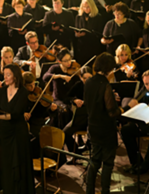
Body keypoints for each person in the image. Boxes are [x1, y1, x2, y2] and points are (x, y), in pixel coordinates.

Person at [0, 64, 35, 194]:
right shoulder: (3, 90)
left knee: (19, 163)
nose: (5, 77)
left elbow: (16, 115)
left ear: (15, 76)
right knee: (7, 163)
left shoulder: (23, 92)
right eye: (4, 74)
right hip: (5, 132)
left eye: (8, 75)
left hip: (18, 133)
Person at [84, 52, 125, 194]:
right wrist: (124, 108)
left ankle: (89, 191)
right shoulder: (105, 84)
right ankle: (105, 191)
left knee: (94, 161)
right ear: (109, 68)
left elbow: (94, 101)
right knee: (107, 163)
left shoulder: (89, 81)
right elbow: (112, 112)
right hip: (106, 129)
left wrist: (111, 99)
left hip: (93, 127)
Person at [43, 48, 80, 129]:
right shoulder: (55, 68)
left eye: (70, 59)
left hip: (70, 98)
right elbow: (45, 77)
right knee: (64, 110)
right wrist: (60, 76)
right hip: (58, 99)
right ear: (59, 61)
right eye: (65, 61)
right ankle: (62, 133)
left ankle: (70, 133)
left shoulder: (73, 69)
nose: (69, 63)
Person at [23, 71, 57, 158]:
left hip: (40, 122)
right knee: (40, 140)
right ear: (24, 85)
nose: (33, 87)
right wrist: (23, 114)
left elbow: (43, 113)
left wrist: (51, 109)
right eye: (30, 85)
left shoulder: (38, 93)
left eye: (34, 84)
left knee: (52, 138)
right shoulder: (21, 96)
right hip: (30, 125)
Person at [121, 70, 149, 175]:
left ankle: (144, 167)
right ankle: (136, 163)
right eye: (146, 84)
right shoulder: (145, 91)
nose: (148, 87)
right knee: (126, 130)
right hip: (145, 123)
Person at [63, 66, 92, 161]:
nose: (87, 80)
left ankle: (89, 148)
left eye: (89, 78)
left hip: (93, 120)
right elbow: (66, 97)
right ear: (80, 77)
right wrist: (74, 100)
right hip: (80, 118)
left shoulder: (96, 86)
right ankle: (76, 152)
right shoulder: (79, 85)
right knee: (65, 133)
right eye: (84, 78)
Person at [74, 0, 104, 66]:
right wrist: (77, 34)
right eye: (84, 7)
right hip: (81, 47)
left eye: (88, 7)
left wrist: (87, 34)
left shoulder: (98, 17)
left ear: (92, 6)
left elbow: (99, 33)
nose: (86, 9)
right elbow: (76, 29)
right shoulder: (78, 17)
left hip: (93, 47)